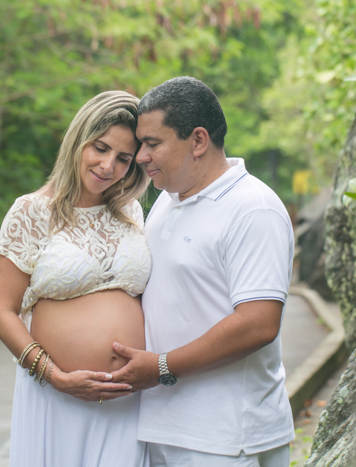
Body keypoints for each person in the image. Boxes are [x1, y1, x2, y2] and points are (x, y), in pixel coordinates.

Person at [111, 76, 295, 466]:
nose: (140, 156)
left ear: (197, 140)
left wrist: (161, 367)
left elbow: (259, 323)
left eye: (153, 143)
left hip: (227, 436)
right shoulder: (165, 202)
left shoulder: (253, 208)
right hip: (160, 425)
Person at [0, 91, 151, 466]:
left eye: (123, 158)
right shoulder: (31, 211)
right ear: (79, 140)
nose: (109, 165)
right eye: (101, 148)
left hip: (128, 399)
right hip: (56, 396)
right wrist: (55, 376)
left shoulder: (131, 213)